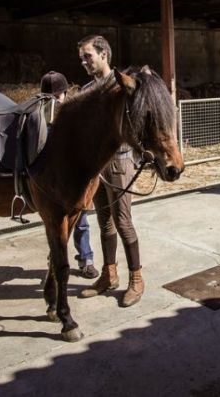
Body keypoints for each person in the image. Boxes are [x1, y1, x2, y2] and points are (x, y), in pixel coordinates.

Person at [76, 34, 145, 307]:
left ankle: (137, 280)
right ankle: (109, 275)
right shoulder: (85, 90)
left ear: (104, 55)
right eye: (82, 58)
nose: (84, 62)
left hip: (119, 161)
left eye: (88, 56)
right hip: (97, 165)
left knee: (123, 221)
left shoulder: (123, 88)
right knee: (103, 222)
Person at [40, 70, 99, 280]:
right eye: (49, 97)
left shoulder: (74, 113)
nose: (54, 101)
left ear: (65, 94)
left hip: (73, 178)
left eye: (57, 96)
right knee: (55, 224)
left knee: (81, 221)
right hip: (51, 180)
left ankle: (86, 260)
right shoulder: (38, 116)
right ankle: (55, 256)